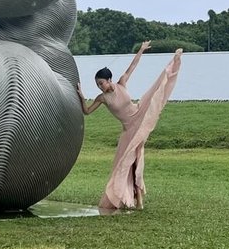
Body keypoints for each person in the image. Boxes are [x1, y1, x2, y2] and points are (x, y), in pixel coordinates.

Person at [77, 40, 183, 210]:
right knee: (127, 163)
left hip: (139, 117)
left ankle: (139, 200)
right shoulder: (102, 98)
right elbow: (87, 112)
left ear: (109, 79)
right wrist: (82, 97)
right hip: (128, 131)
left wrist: (141, 49)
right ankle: (133, 199)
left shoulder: (121, 83)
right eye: (98, 85)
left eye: (101, 83)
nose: (100, 87)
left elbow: (133, 65)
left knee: (157, 89)